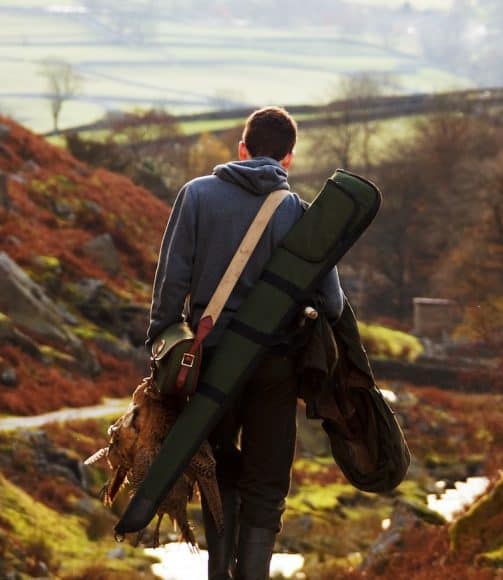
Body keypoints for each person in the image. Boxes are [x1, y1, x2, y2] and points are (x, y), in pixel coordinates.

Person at [145, 106, 344, 580]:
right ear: (288, 159)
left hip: (210, 362)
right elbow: (331, 303)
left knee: (219, 474)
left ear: (242, 149)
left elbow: (171, 283)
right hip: (275, 367)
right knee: (267, 485)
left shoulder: (196, 195)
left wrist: (161, 347)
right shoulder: (298, 213)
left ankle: (218, 572)